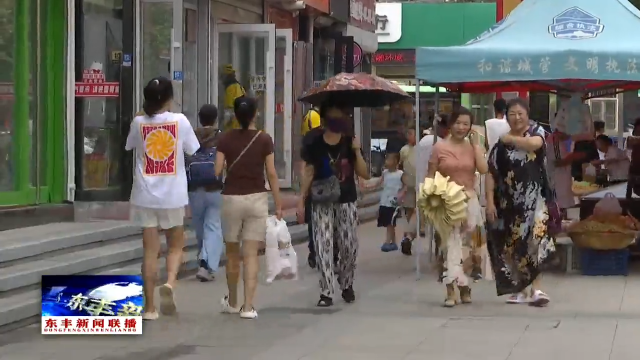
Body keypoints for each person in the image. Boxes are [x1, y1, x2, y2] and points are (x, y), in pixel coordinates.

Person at [125, 76, 200, 320]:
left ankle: (149, 308)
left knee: (149, 251)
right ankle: (169, 283)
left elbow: (130, 146)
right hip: (173, 194)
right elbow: (193, 149)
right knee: (176, 245)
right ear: (169, 98)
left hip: (145, 195)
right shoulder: (180, 121)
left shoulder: (138, 122)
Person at [215, 96, 282, 319]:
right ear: (255, 114)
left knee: (232, 253)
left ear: (235, 114)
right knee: (251, 254)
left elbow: (217, 170)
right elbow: (271, 173)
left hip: (231, 198)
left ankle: (232, 302)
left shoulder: (225, 139)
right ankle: (248, 306)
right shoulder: (264, 139)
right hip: (256, 200)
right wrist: (279, 204)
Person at [298, 103, 371, 307]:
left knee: (349, 246)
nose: (339, 119)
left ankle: (346, 282)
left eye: (342, 115)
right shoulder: (314, 142)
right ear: (325, 119)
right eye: (334, 116)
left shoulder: (350, 142)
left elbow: (364, 173)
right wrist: (301, 199)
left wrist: (357, 152)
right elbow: (309, 171)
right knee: (323, 245)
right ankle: (326, 290)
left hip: (346, 199)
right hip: (321, 200)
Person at [486, 98, 555, 307]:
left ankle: (537, 289)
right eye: (512, 114)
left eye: (520, 113)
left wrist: (510, 139)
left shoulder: (536, 131)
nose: (516, 117)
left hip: (535, 200)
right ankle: (521, 289)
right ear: (506, 116)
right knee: (514, 243)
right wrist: (489, 201)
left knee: (535, 240)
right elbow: (491, 172)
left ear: (527, 114)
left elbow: (535, 144)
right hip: (509, 202)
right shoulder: (500, 144)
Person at [427, 107, 488, 307]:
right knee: (448, 246)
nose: (461, 127)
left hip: (469, 200)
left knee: (470, 249)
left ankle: (465, 286)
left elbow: (483, 169)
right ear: (450, 124)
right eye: (458, 123)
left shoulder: (472, 147)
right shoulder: (439, 147)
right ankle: (450, 290)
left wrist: (478, 146)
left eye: (466, 124)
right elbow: (431, 176)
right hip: (445, 201)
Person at [187, 104, 223, 282]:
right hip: (215, 186)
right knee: (213, 225)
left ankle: (203, 261)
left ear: (200, 118)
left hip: (194, 187)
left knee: (200, 227)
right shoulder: (220, 136)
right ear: (215, 118)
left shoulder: (191, 135)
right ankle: (205, 264)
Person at [367, 153, 405, 252]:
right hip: (385, 201)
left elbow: (405, 185)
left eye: (389, 160)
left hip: (394, 203)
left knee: (390, 222)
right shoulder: (385, 173)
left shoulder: (400, 174)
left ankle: (387, 241)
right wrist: (369, 186)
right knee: (389, 223)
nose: (386, 162)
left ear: (396, 162)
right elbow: (379, 182)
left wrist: (402, 194)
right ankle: (394, 242)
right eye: (386, 160)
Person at [301, 108, 322, 268]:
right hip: (328, 187)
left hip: (314, 188)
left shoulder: (308, 140)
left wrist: (303, 193)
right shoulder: (332, 135)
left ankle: (314, 251)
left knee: (313, 223)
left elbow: (307, 169)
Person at [546, 128, 576, 212]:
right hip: (558, 179)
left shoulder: (560, 143)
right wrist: (575, 157)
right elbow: (559, 162)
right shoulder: (555, 142)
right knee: (559, 204)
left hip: (563, 179)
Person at [399, 128, 418, 256]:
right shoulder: (404, 150)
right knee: (410, 212)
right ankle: (408, 238)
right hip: (409, 185)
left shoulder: (422, 148)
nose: (409, 136)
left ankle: (410, 236)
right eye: (408, 133)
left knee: (417, 213)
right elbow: (400, 165)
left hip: (421, 186)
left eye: (411, 133)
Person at [221, 64, 246, 131]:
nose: (221, 79)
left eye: (222, 76)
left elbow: (229, 110)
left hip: (234, 126)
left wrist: (224, 124)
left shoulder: (231, 88)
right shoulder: (239, 86)